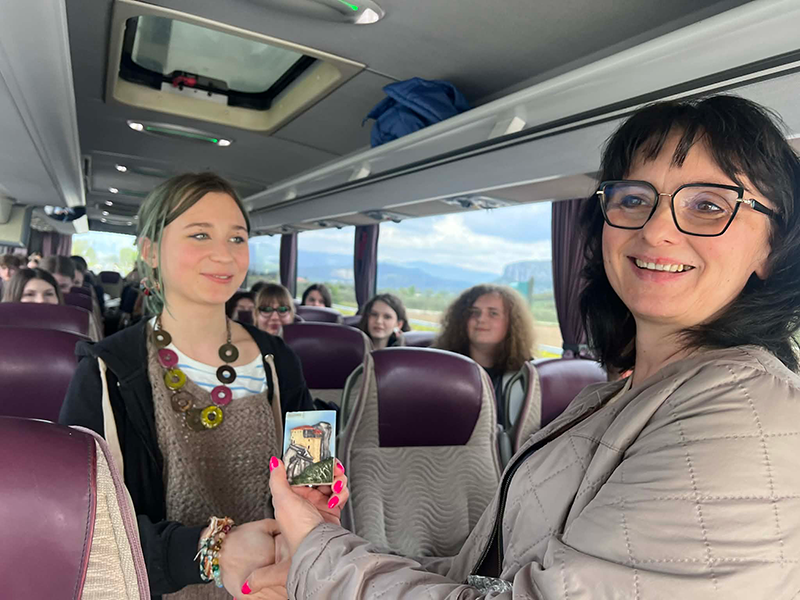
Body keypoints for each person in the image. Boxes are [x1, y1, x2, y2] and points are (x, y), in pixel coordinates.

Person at [242, 96, 800, 598]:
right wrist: (322, 552)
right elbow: (485, 579)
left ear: (772, 248)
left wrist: (317, 558)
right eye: (634, 198)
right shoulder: (610, 399)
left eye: (709, 205)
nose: (656, 231)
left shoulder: (748, 415)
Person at [59, 173, 346, 599]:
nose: (224, 255)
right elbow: (76, 526)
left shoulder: (280, 361)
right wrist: (212, 552)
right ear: (150, 250)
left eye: (237, 238)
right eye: (199, 234)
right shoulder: (106, 372)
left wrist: (317, 499)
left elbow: (312, 476)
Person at [435, 284, 535, 423]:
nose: (481, 319)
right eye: (474, 312)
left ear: (512, 323)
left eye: (493, 313)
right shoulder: (437, 367)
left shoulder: (528, 377)